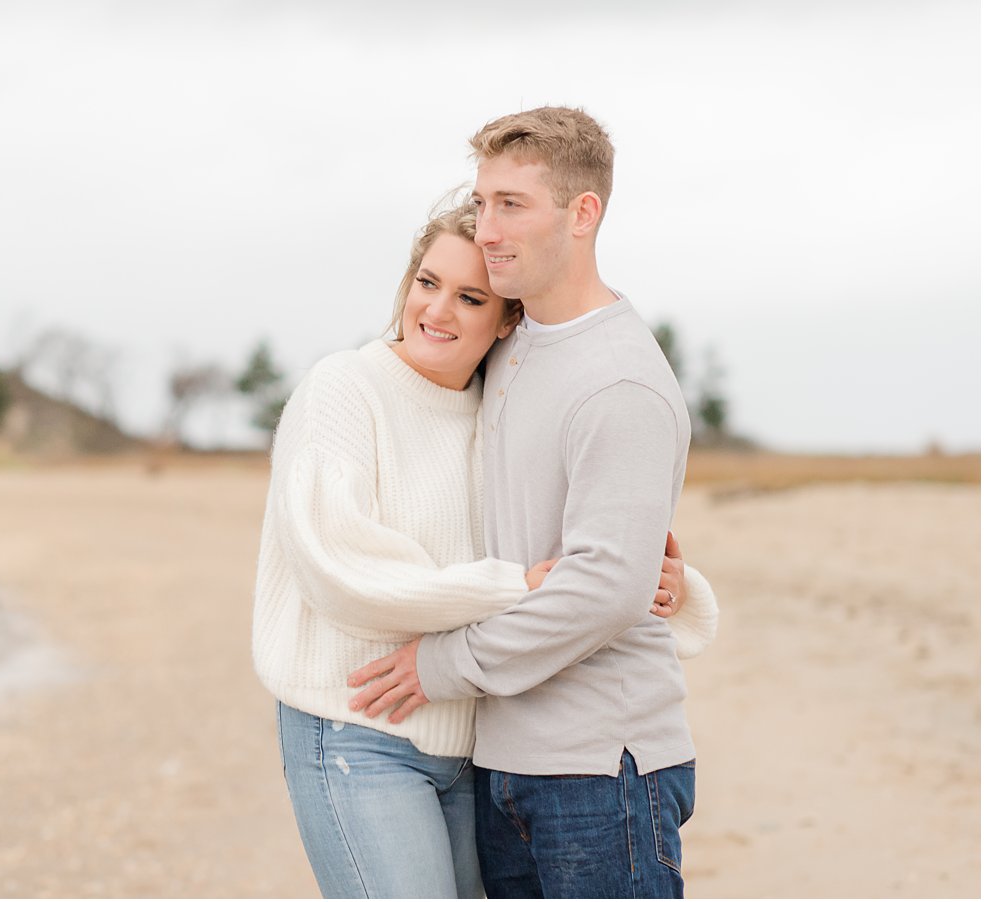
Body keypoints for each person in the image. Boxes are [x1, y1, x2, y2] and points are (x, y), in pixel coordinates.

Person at [253, 202, 718, 899]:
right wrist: (517, 589)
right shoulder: (344, 389)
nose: (436, 310)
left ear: (507, 321)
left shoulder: (497, 409)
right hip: (356, 728)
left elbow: (554, 549)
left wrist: (668, 584)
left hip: (473, 746)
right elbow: (342, 569)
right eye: (426, 281)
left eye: (470, 297)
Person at [347, 107, 704, 898]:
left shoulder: (621, 380)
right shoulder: (512, 343)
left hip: (600, 766)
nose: (489, 228)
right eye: (483, 202)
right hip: (504, 762)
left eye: (513, 204)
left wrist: (442, 665)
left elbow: (604, 590)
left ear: (584, 214)